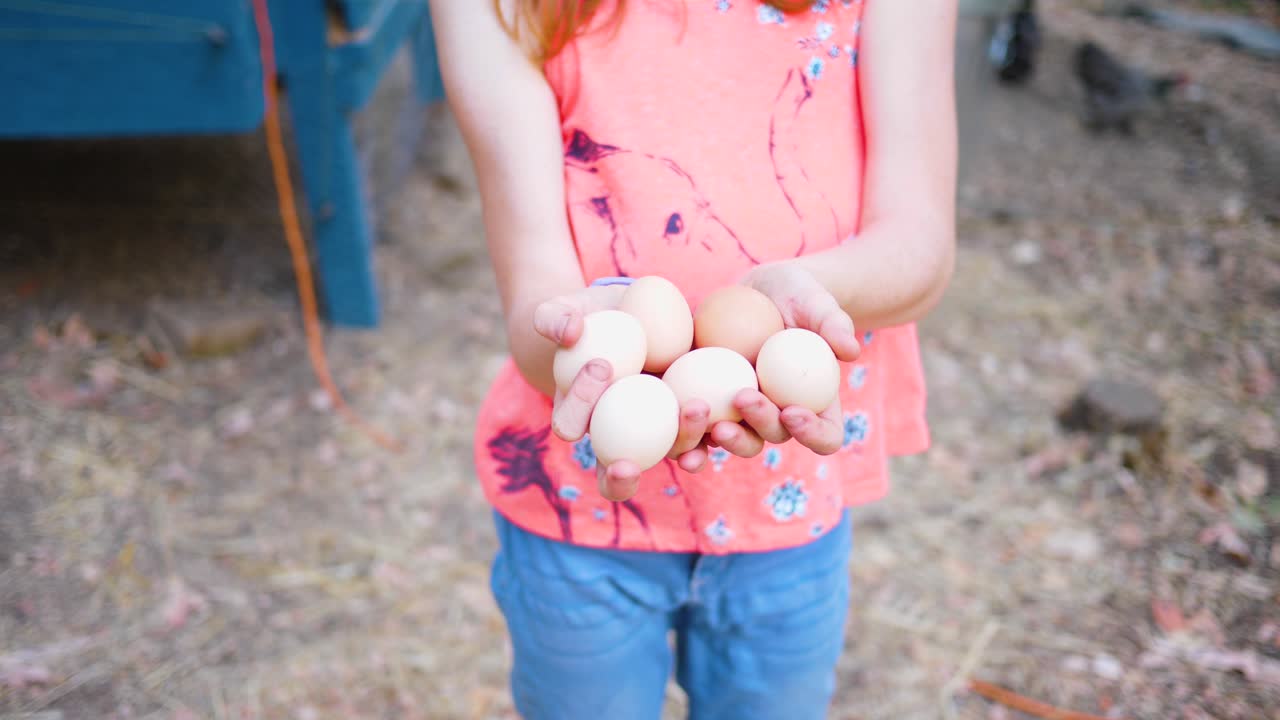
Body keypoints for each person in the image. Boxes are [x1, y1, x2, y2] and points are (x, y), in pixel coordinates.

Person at [428, 1, 957, 717]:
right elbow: (535, 301)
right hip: (580, 515)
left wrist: (803, 299)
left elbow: (919, 247)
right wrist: (598, 336)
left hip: (789, 496)